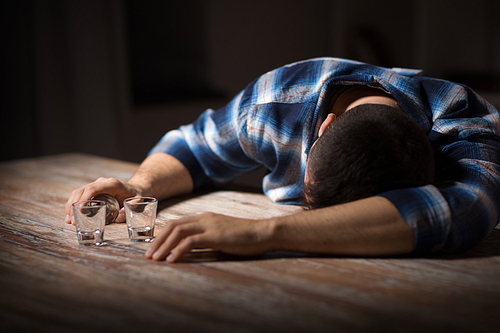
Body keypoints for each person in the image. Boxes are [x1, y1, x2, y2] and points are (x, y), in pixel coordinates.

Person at [65, 57, 500, 263]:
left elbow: (468, 209)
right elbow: (195, 146)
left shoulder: (464, 125)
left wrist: (265, 232)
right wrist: (140, 187)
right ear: (323, 128)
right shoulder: (280, 99)